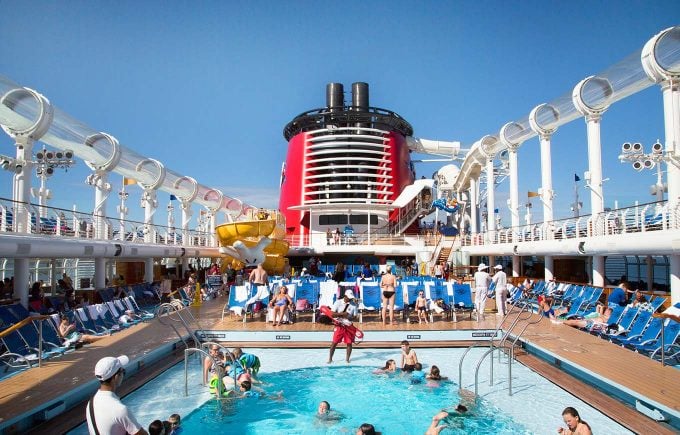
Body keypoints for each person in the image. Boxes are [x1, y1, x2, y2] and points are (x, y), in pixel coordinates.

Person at [87, 355, 148, 435]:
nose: (123, 374)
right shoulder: (120, 409)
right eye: (123, 371)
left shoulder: (90, 404)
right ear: (116, 377)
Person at [328, 291, 359, 364]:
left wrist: (349, 317)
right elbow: (332, 314)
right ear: (345, 296)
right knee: (334, 342)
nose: (350, 299)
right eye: (349, 297)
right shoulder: (338, 302)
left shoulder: (354, 305)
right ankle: (330, 359)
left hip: (348, 325)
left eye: (351, 298)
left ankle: (347, 359)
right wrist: (342, 314)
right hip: (339, 325)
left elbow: (355, 317)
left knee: (349, 342)